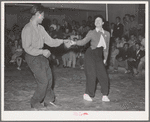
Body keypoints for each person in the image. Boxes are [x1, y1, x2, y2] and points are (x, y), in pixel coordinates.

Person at [21, 5, 70, 110]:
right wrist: (42, 51)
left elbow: (51, 41)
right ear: (37, 14)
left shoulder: (41, 28)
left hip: (42, 56)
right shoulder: (27, 29)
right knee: (43, 81)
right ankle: (35, 102)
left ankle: (48, 100)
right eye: (42, 15)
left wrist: (63, 41)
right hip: (32, 57)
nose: (43, 17)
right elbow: (27, 48)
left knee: (49, 79)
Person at [71, 16, 110, 102]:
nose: (97, 21)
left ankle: (105, 95)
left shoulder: (107, 33)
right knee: (91, 75)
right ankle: (87, 94)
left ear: (103, 23)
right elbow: (83, 41)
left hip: (99, 55)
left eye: (99, 20)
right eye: (96, 20)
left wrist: (105, 59)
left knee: (103, 75)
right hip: (91, 54)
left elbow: (106, 49)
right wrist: (75, 42)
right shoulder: (91, 32)